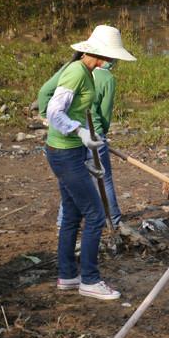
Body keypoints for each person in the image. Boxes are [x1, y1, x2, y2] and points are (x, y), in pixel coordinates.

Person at [45, 25, 135, 300]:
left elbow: (75, 110)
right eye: (112, 56)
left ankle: (68, 276)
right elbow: (54, 111)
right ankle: (90, 280)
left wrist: (88, 147)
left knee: (72, 215)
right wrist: (79, 132)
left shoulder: (85, 72)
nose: (113, 61)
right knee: (95, 215)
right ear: (100, 55)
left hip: (70, 153)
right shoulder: (76, 72)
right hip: (64, 152)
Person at [39, 52, 122, 228]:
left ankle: (63, 223)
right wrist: (101, 134)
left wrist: (48, 118)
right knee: (103, 180)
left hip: (71, 136)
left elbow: (45, 92)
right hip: (88, 135)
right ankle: (114, 222)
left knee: (71, 184)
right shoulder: (106, 78)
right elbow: (105, 112)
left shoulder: (69, 67)